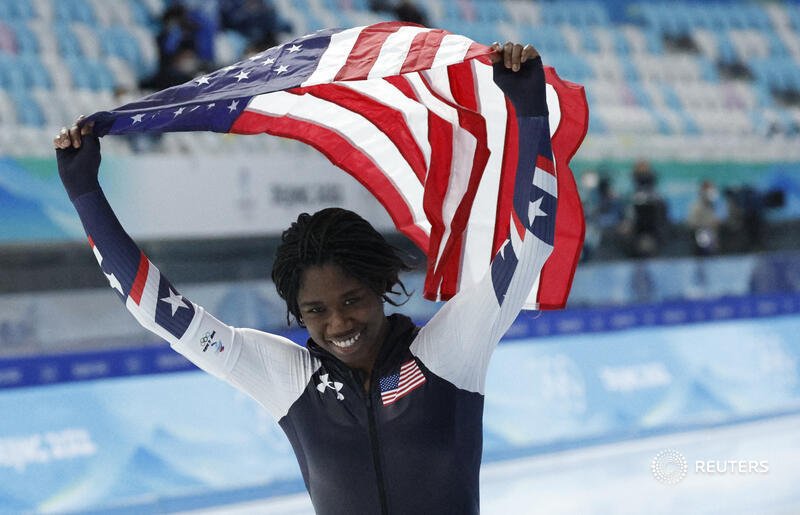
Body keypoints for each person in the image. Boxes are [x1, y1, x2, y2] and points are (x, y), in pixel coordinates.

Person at [54, 41, 544, 514]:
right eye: (316, 310)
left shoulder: (448, 351)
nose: (338, 323)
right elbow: (165, 315)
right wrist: (86, 194)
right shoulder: (288, 378)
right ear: (297, 312)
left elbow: (530, 243)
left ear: (379, 287)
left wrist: (528, 111)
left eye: (351, 299)